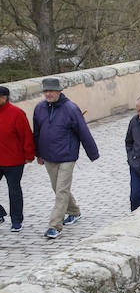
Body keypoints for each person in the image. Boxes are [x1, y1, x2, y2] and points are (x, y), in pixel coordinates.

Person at [32, 77, 100, 239]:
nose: (48, 94)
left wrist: (93, 153)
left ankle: (54, 225)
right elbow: (36, 133)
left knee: (61, 190)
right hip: (48, 155)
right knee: (57, 188)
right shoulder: (39, 108)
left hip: (67, 156)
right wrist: (38, 154)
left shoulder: (71, 108)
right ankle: (74, 212)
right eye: (46, 91)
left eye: (51, 91)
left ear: (59, 91)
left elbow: (83, 131)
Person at [0, 85, 35, 232]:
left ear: (4, 97)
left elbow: (26, 135)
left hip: (14, 161)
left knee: (14, 190)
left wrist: (29, 155)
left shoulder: (17, 113)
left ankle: (16, 221)